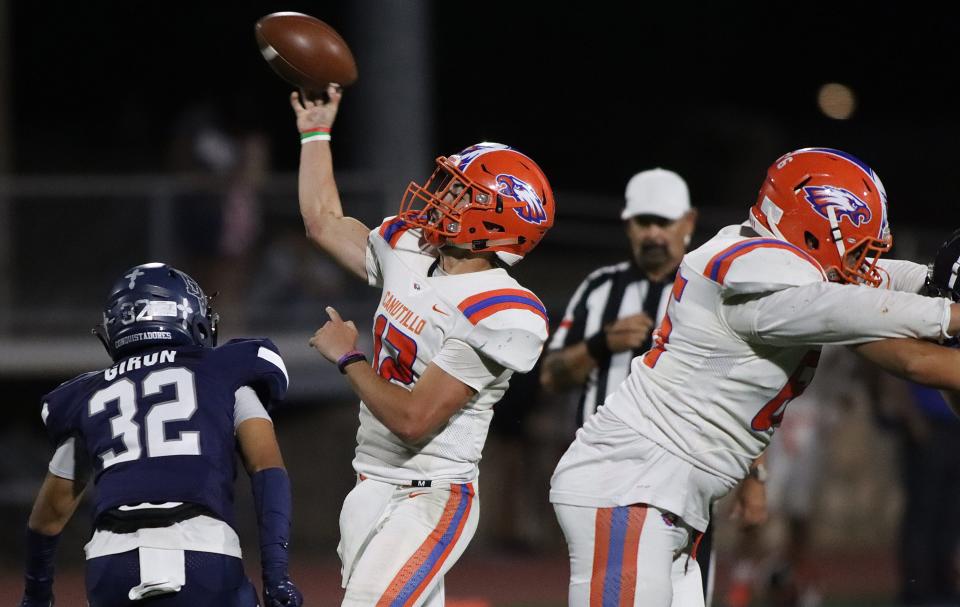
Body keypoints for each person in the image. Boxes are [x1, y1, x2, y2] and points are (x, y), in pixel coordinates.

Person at [548, 147, 960, 607]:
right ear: (810, 227)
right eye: (856, 247)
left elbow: (876, 279)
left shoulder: (760, 254)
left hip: (663, 490)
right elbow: (863, 311)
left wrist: (932, 276)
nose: (862, 264)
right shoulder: (756, 278)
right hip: (630, 485)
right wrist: (949, 311)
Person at [288, 86, 555, 606]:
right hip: (369, 482)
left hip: (432, 495)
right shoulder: (412, 247)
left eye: (462, 192)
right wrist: (315, 133)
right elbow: (323, 221)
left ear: (497, 220)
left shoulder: (504, 310)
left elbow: (415, 419)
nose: (444, 196)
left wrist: (349, 357)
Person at [17, 263, 302, 607]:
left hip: (110, 561)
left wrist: (36, 596)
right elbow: (268, 471)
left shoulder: (88, 397)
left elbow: (47, 517)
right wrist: (277, 576)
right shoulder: (227, 371)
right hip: (200, 550)